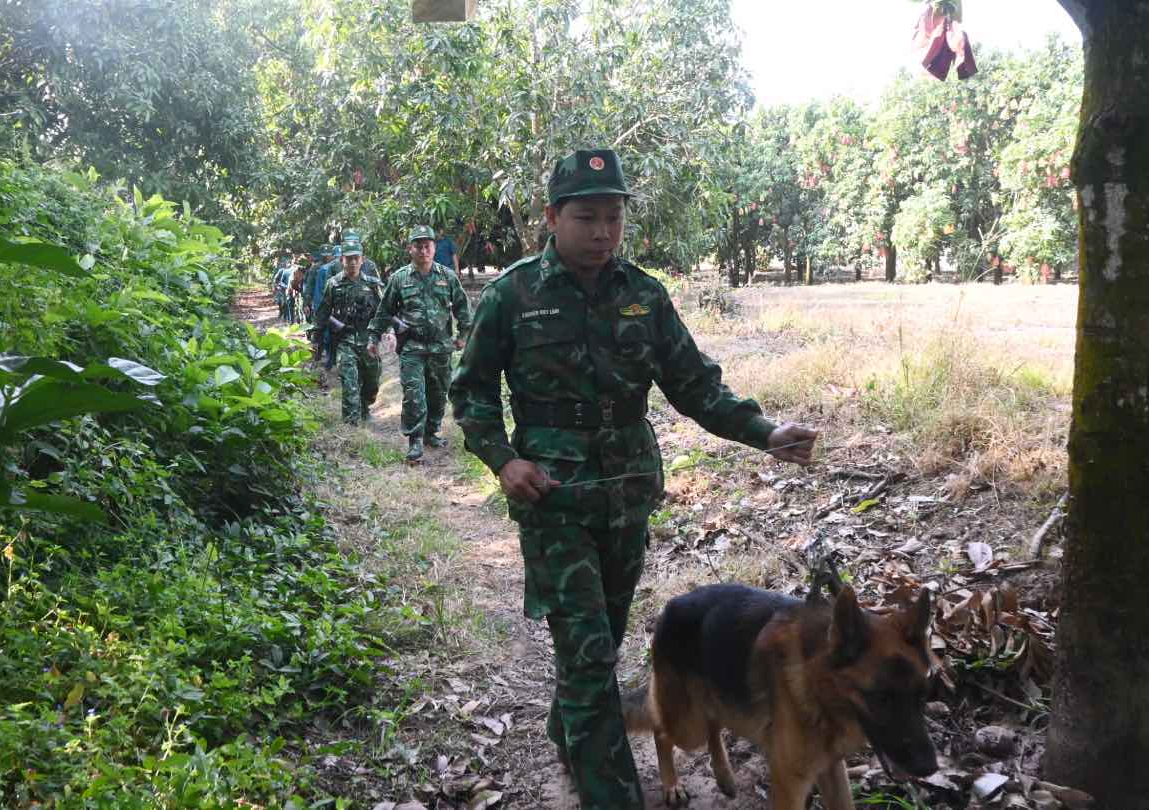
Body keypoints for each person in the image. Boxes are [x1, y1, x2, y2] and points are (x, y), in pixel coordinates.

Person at [448, 149, 818, 810]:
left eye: (613, 217)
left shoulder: (644, 296)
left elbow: (695, 386)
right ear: (553, 216)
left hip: (626, 499)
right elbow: (471, 391)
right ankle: (611, 792)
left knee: (607, 637)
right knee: (590, 658)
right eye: (586, 216)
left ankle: (570, 727)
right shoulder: (513, 294)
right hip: (554, 502)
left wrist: (764, 432)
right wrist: (503, 459)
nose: (601, 232)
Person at [368, 225, 471, 461]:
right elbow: (384, 312)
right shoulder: (399, 278)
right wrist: (373, 337)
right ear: (410, 249)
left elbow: (463, 309)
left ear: (434, 248)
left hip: (440, 347)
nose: (423, 250)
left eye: (428, 245)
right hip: (412, 348)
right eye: (418, 246)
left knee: (438, 393)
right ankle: (415, 440)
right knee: (414, 394)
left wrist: (464, 335)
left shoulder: (447, 276)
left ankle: (431, 432)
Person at [316, 237, 384, 424]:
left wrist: (389, 333)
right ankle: (351, 426)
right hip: (345, 341)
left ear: (362, 259)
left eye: (356, 258)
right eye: (348, 258)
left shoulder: (373, 284)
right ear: (342, 260)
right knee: (349, 383)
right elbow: (323, 313)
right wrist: (317, 340)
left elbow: (385, 311)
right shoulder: (333, 284)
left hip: (369, 341)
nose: (353, 262)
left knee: (372, 382)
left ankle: (364, 406)